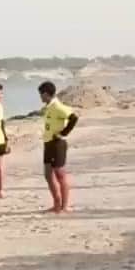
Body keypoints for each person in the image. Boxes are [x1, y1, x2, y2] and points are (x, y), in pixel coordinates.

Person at [38, 81, 78, 213]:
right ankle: (56, 204)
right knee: (48, 175)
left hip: (57, 144)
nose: (40, 97)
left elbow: (73, 118)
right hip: (48, 143)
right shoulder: (48, 107)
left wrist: (63, 133)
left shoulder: (57, 106)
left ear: (46, 94)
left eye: (41, 94)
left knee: (60, 175)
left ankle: (64, 206)